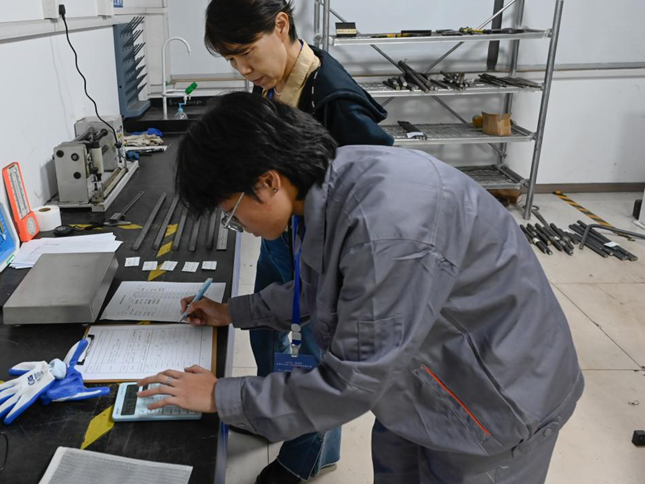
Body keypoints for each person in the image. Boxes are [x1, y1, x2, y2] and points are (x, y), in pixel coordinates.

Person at [139, 93, 583, 484]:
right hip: (419, 383)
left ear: (268, 181)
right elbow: (320, 288)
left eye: (231, 212)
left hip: (493, 403)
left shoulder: (385, 229)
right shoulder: (330, 185)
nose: (238, 225)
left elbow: (350, 382)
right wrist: (233, 312)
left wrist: (220, 395)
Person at [203, 0, 393, 481]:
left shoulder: (334, 100)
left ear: (281, 25)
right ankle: (271, 414)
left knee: (313, 355)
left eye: (247, 53)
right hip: (282, 238)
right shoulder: (271, 85)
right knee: (267, 335)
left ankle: (305, 458)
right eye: (232, 60)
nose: (244, 69)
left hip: (324, 248)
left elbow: (381, 176)